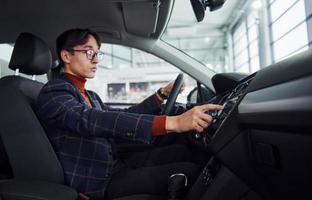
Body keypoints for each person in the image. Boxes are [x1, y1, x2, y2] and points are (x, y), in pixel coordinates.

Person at [36, 28, 223, 200]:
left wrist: (160, 96)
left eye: (97, 53)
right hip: (97, 181)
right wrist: (173, 122)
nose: (96, 60)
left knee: (184, 152)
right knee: (190, 171)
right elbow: (91, 120)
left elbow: (125, 115)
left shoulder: (89, 95)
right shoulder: (54, 93)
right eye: (88, 52)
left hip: (114, 162)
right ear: (66, 55)